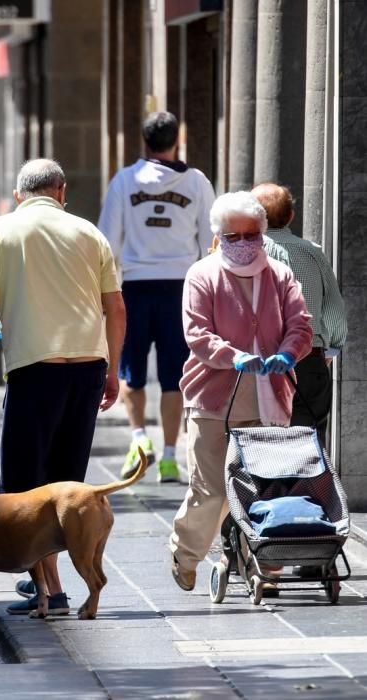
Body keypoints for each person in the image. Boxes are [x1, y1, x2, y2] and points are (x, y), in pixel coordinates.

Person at [0, 158, 126, 616]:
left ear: (20, 194)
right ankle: (51, 587)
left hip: (35, 368)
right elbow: (116, 308)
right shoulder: (89, 232)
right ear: (61, 191)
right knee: (66, 483)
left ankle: (49, 591)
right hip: (87, 366)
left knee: (24, 489)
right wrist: (112, 369)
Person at [169, 191, 313, 593]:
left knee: (262, 488)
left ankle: (258, 564)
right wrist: (231, 356)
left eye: (252, 235)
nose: (245, 243)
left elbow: (301, 324)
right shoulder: (202, 274)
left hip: (271, 398)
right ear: (219, 237)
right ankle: (185, 552)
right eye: (235, 236)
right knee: (212, 489)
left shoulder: (280, 275)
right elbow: (197, 334)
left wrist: (288, 353)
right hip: (213, 399)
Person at [98, 111, 215, 483]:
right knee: (174, 375)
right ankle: (168, 455)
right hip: (179, 288)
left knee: (130, 369)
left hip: (133, 285)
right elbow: (209, 241)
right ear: (175, 141)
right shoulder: (195, 181)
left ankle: (138, 440)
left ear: (145, 141)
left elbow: (107, 240)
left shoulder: (125, 181)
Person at [252, 183, 348, 446]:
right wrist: (331, 348)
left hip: (259, 362)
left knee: (262, 446)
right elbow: (334, 309)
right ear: (291, 216)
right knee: (309, 445)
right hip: (309, 359)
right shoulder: (312, 252)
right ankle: (306, 489)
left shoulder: (247, 254)